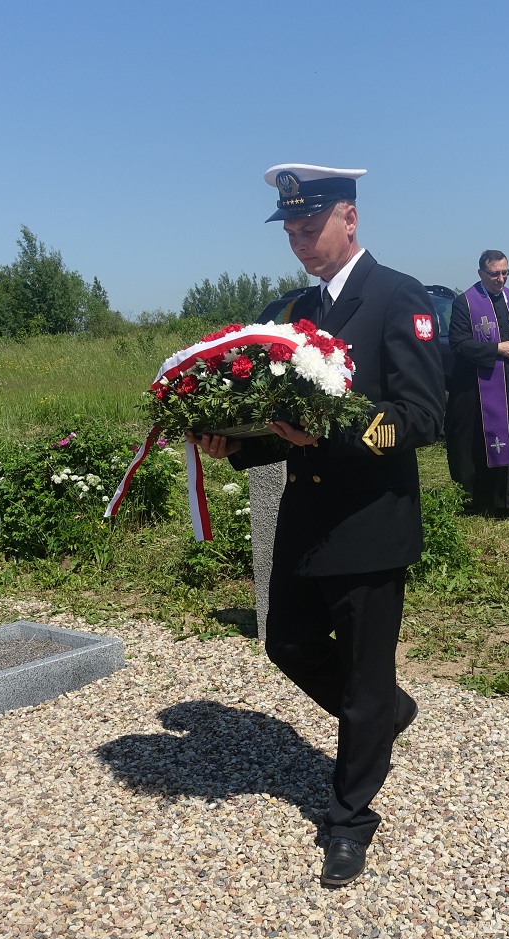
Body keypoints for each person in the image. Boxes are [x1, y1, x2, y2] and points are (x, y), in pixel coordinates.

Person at [191, 164, 445, 887]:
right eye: (292, 233)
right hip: (306, 516)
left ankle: (350, 818)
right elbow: (282, 424)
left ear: (350, 218)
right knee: (287, 641)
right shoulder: (292, 311)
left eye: (310, 228)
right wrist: (236, 444)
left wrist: (334, 432)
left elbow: (422, 416)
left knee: (363, 677)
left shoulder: (399, 297)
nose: (300, 243)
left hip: (369, 519)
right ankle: (385, 714)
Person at [446, 250, 509, 517]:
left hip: (508, 388)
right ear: (481, 273)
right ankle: (476, 502)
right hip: (476, 389)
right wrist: (497, 348)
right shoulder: (465, 302)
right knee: (474, 445)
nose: (501, 279)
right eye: (495, 274)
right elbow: (459, 344)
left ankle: (508, 503)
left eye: (505, 273)